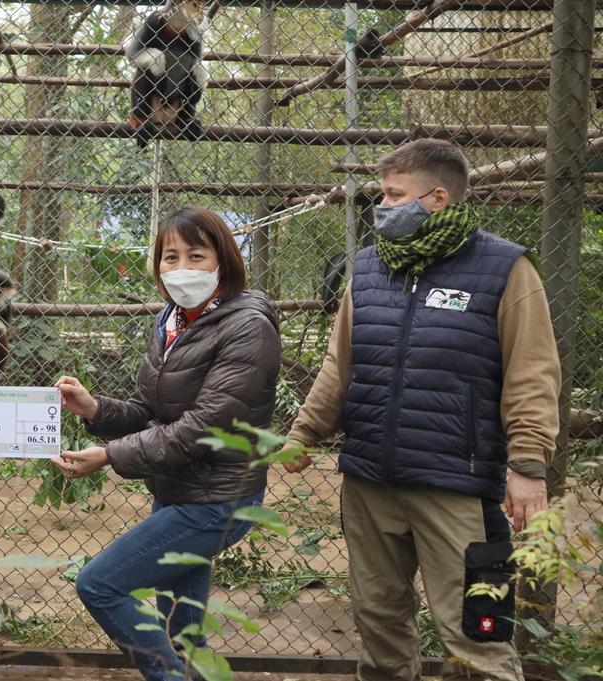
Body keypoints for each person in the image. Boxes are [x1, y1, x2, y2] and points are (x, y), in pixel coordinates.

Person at [283, 139, 560, 681]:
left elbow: (533, 374)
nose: (381, 207)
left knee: (475, 633)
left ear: (436, 198)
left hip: (456, 484)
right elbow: (340, 363)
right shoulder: (367, 269)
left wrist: (528, 465)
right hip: (370, 481)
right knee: (379, 622)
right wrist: (304, 432)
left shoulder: (506, 268)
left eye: (392, 195)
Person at [52, 206, 281, 681]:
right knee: (182, 630)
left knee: (100, 584)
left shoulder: (247, 327)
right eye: (170, 256)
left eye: (196, 255)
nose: (181, 268)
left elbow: (201, 427)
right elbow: (151, 412)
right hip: (179, 491)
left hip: (217, 500)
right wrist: (95, 409)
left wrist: (110, 455)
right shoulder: (174, 320)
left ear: (224, 261)